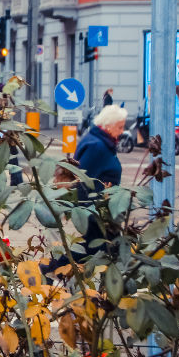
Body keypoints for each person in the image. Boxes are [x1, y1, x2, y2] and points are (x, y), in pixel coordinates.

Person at [68, 104, 127, 263]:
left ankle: (51, 272)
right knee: (95, 251)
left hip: (102, 209)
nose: (122, 132)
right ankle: (49, 271)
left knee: (101, 252)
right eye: (120, 127)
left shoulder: (99, 141)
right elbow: (83, 180)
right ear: (108, 125)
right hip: (96, 212)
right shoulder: (97, 146)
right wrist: (91, 213)